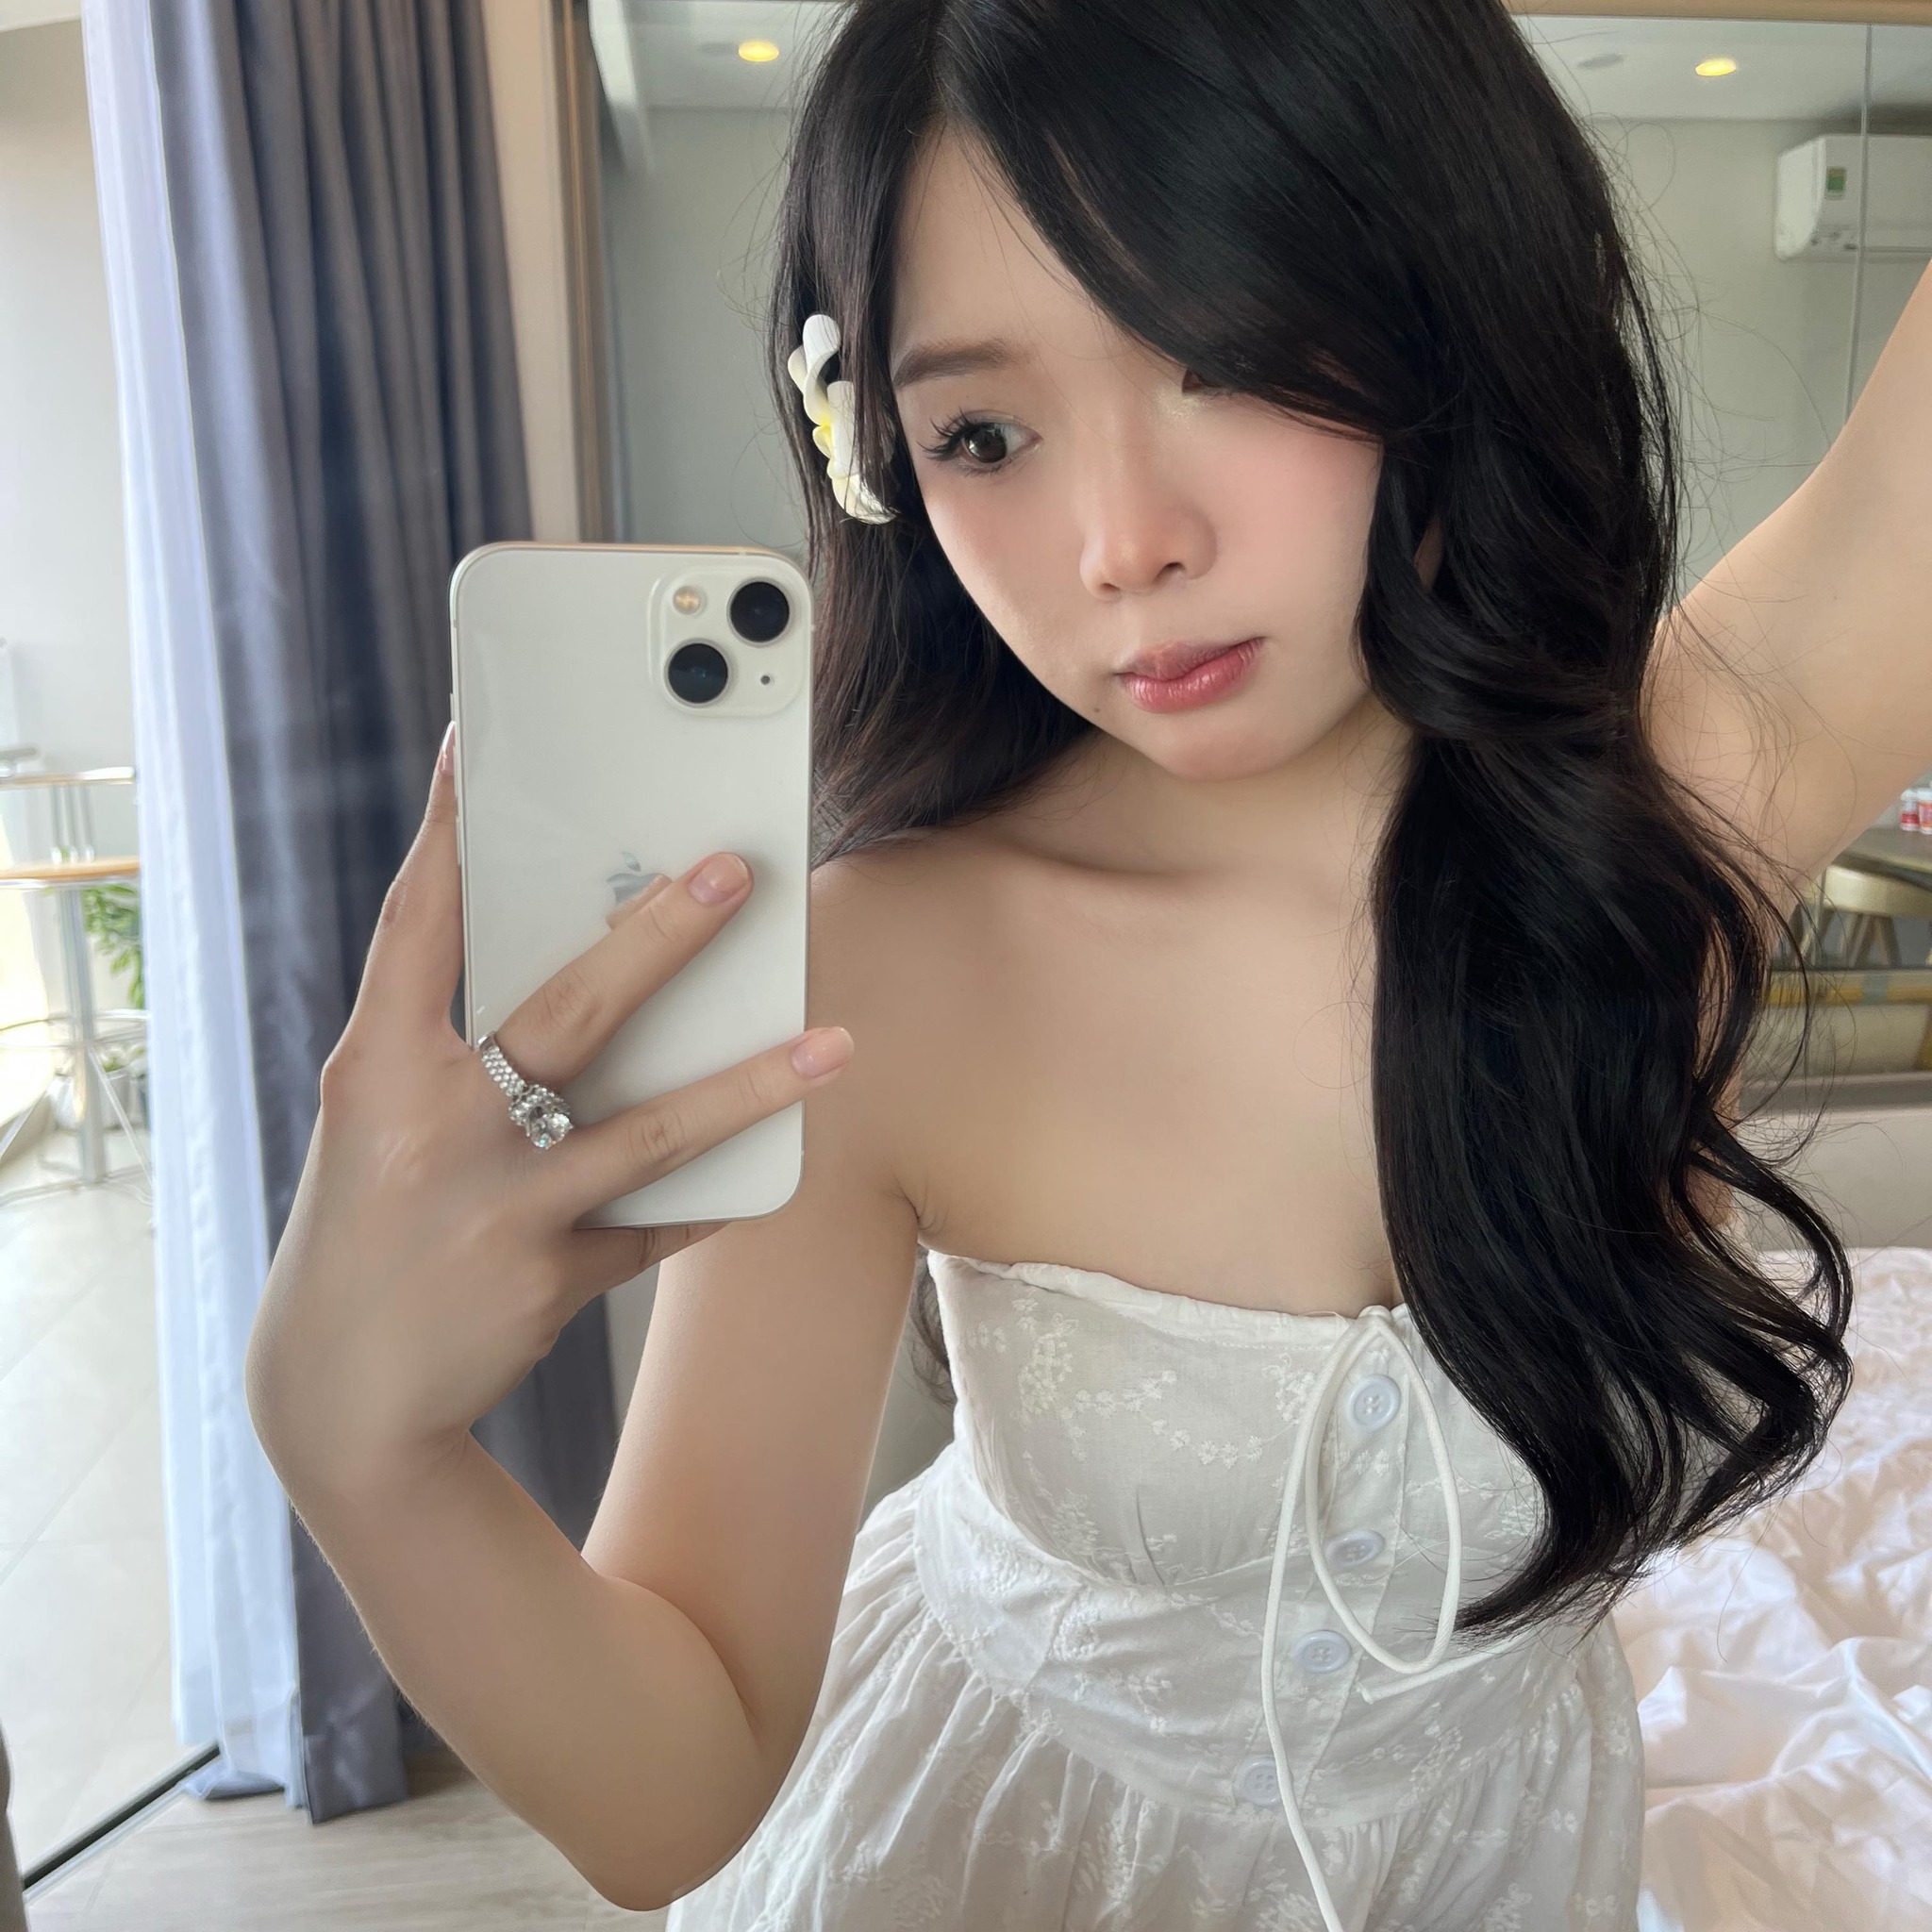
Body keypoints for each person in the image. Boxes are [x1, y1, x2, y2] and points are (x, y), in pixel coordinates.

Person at [242, 0, 1928, 1924]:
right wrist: (352, 1437)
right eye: (982, 433)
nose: (1123, 544)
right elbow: (669, 1795)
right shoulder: (872, 974)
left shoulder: (1672, 806)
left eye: (1231, 360)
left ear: (1450, 310)